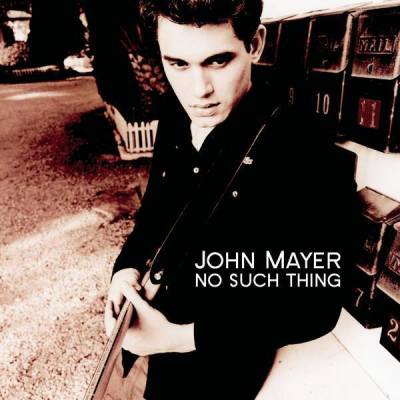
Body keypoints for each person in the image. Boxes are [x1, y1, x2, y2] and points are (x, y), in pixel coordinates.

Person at [104, 0, 358, 398]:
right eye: (177, 64)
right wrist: (125, 270)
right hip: (152, 353)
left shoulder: (303, 146)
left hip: (222, 372)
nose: (198, 90)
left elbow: (316, 304)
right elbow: (155, 212)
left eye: (218, 61)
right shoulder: (175, 112)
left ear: (254, 44)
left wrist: (179, 337)